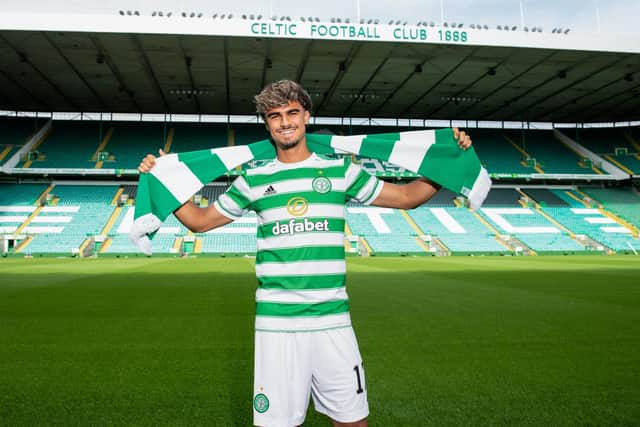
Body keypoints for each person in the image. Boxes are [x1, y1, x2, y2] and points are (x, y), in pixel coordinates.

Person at [138, 80, 472, 427]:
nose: (284, 122)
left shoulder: (340, 171)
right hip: (277, 326)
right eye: (275, 115)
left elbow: (405, 197)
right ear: (266, 124)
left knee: (353, 422)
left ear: (306, 116)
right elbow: (200, 221)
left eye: (292, 113)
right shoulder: (253, 179)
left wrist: (450, 165)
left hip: (333, 321)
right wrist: (165, 181)